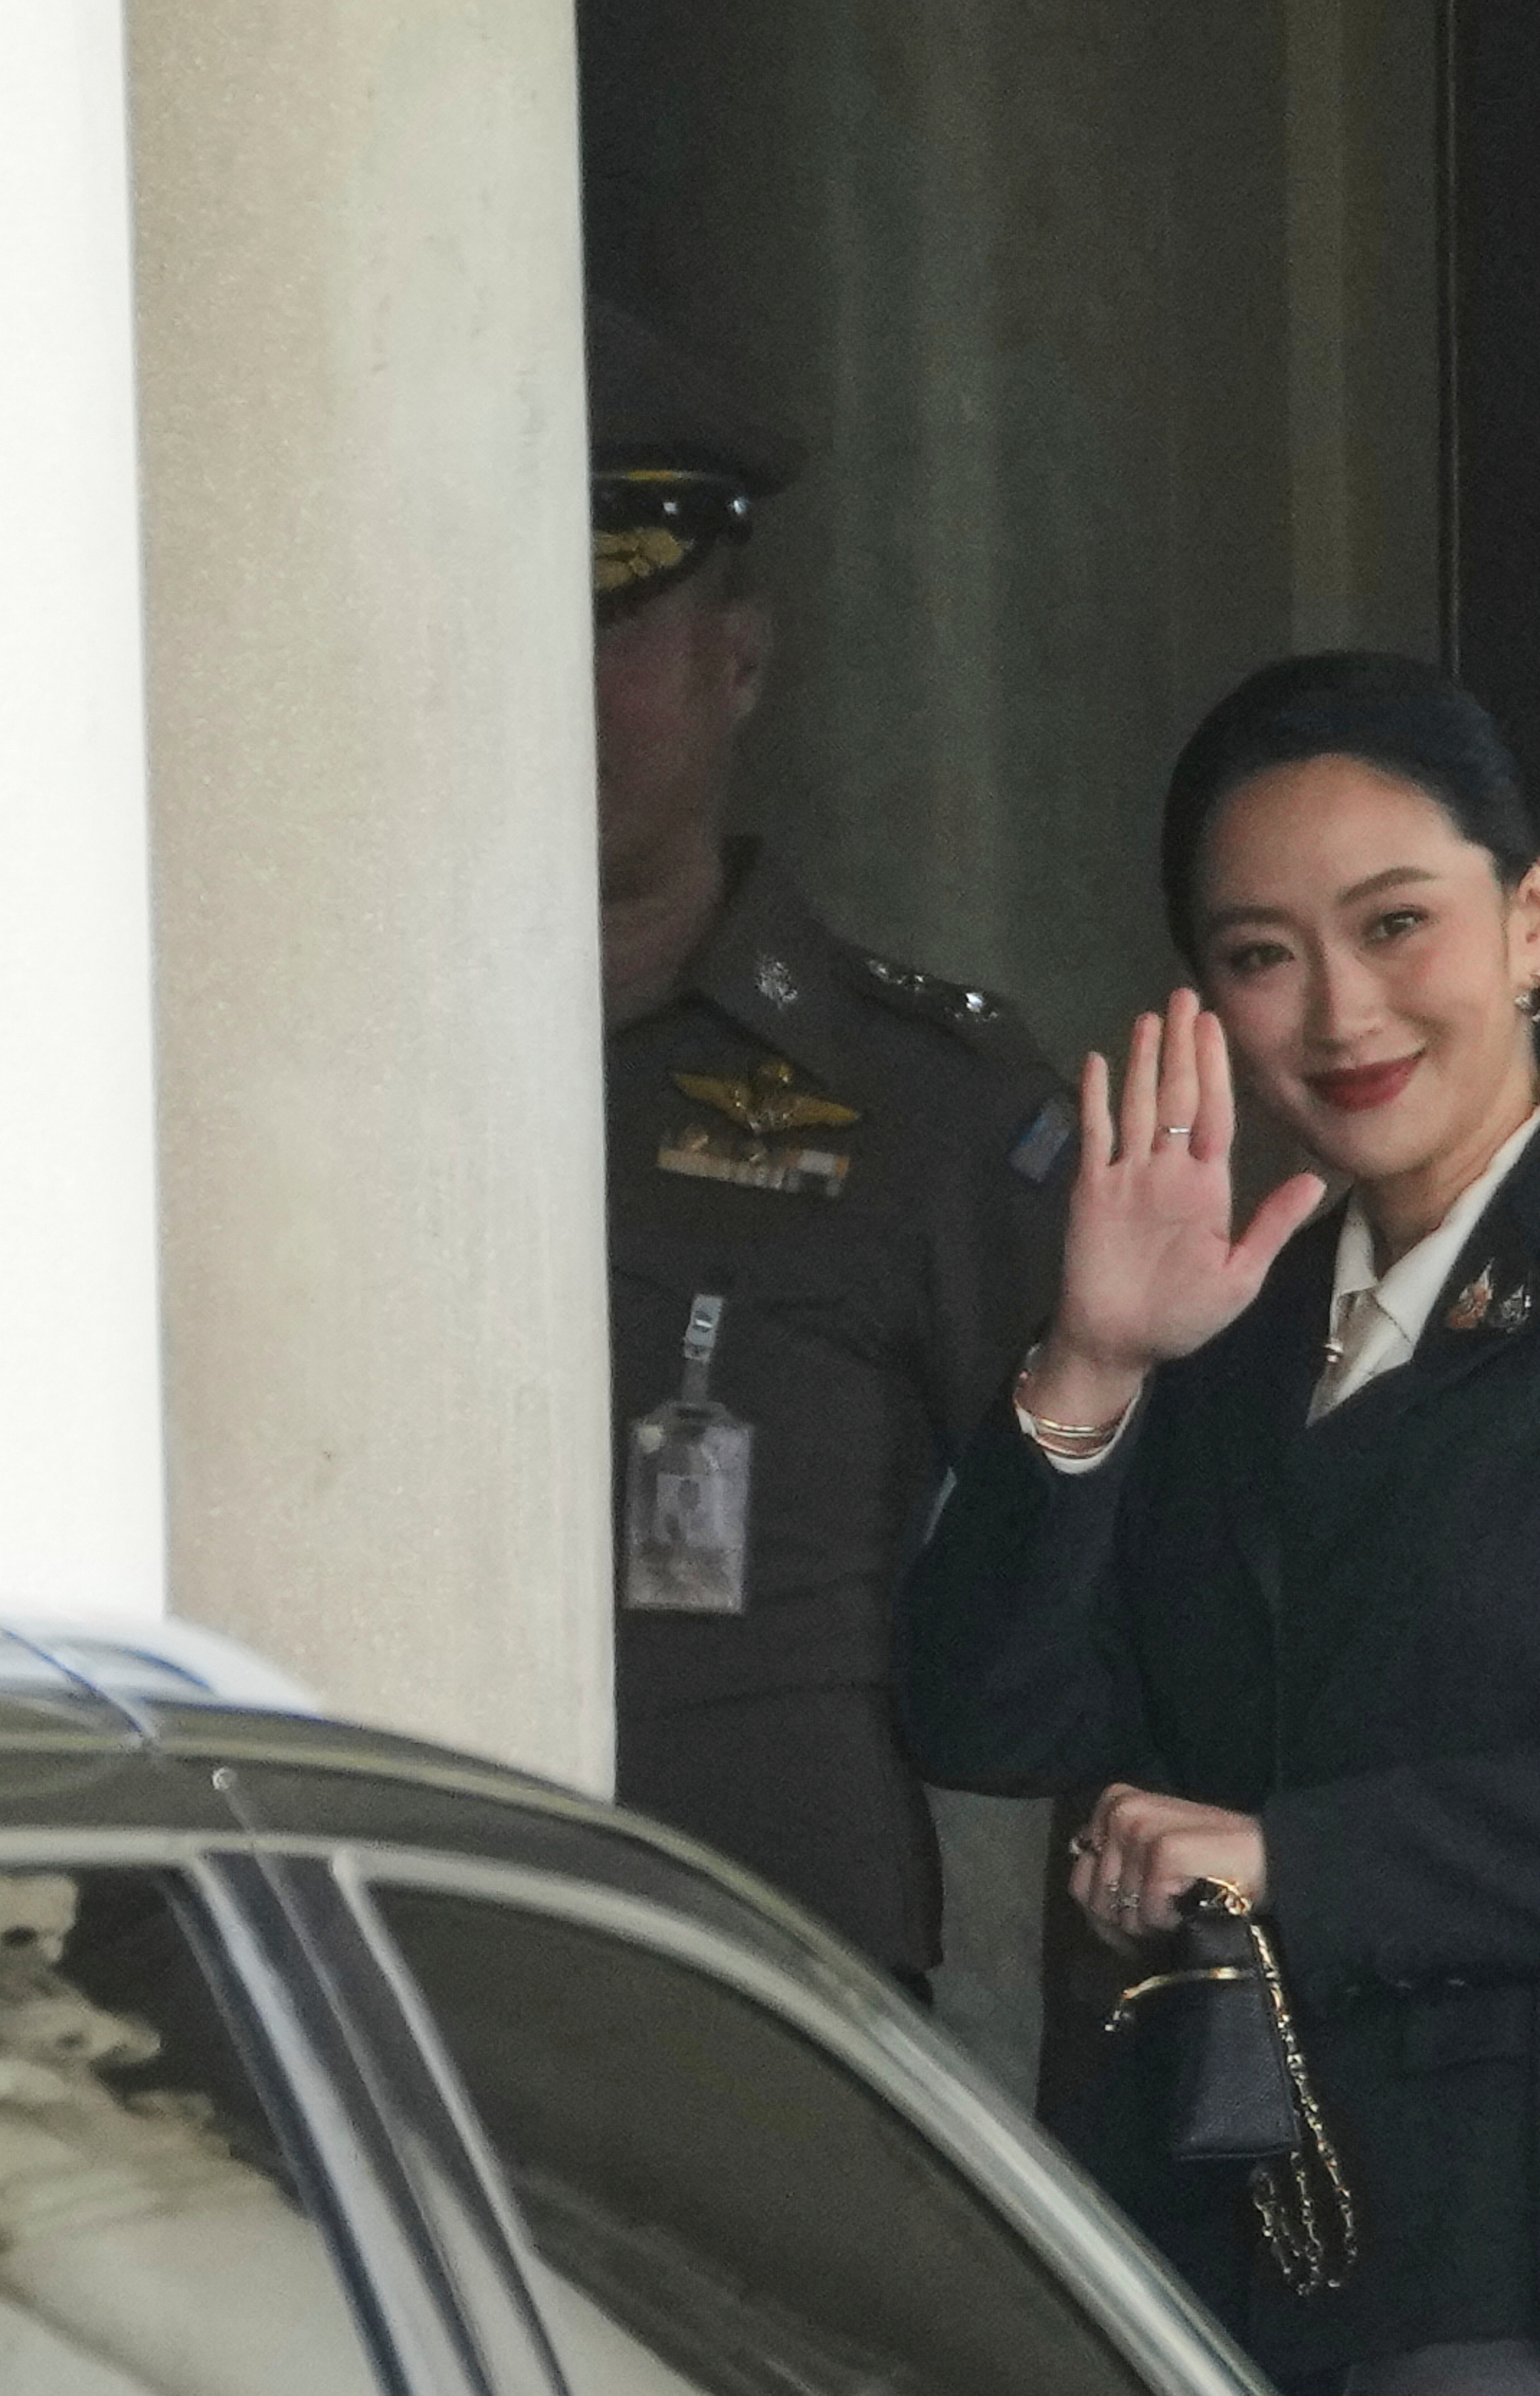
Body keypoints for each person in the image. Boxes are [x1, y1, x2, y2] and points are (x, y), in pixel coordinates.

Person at [900, 653, 1540, 2395]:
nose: (1340, 1012)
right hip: (1244, 2229)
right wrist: (1091, 1361)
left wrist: (1292, 1858)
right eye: (1260, 955)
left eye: (1395, 925)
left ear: (1534, 919)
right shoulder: (1230, 1317)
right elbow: (989, 1713)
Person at [589, 298, 1071, 1990]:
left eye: (618, 625)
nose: (564, 690)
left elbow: (1059, 1631)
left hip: (770, 2005)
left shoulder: (928, 1104)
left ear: (740, 660)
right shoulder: (310, 1081)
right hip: (364, 1969)